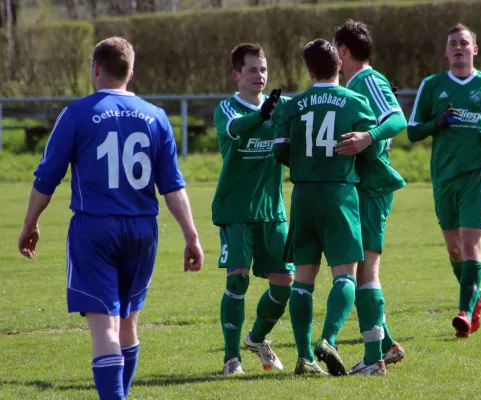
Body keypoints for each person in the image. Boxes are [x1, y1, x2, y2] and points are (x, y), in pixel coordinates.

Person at [17, 37, 204, 400]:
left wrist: (30, 224)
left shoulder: (77, 114)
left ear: (96, 68)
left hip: (95, 228)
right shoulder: (157, 117)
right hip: (143, 230)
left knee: (104, 328)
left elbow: (46, 179)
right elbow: (172, 186)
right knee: (128, 322)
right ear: (131, 72)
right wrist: (191, 236)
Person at [273, 38, 385, 376]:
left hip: (304, 196)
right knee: (346, 277)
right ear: (339, 64)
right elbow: (372, 149)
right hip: (339, 196)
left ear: (309, 70)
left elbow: (280, 152)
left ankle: (305, 358)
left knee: (303, 281)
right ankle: (330, 339)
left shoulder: (292, 105)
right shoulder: (355, 101)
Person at [407, 23, 481, 338]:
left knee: (470, 243)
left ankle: (465, 312)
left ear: (474, 49)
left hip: (478, 172)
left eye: (464, 43)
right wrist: (436, 123)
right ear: (445, 51)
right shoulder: (432, 85)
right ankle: (476, 294)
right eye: (452, 43)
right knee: (454, 249)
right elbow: (413, 131)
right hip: (444, 175)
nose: (458, 47)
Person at [212, 43, 294, 375]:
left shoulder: (282, 107)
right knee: (237, 282)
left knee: (284, 284)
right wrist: (262, 115)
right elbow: (235, 129)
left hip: (272, 210)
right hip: (235, 210)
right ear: (237, 75)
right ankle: (232, 358)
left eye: (262, 69)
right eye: (251, 70)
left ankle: (257, 338)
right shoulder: (226, 108)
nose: (259, 76)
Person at [332, 19, 408, 375]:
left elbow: (397, 120)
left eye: (335, 49)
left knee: (367, 271)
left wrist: (368, 137)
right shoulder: (354, 84)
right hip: (361, 187)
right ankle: (387, 346)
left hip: (373, 187)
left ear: (343, 51)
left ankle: (373, 359)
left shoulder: (368, 80)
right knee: (362, 270)